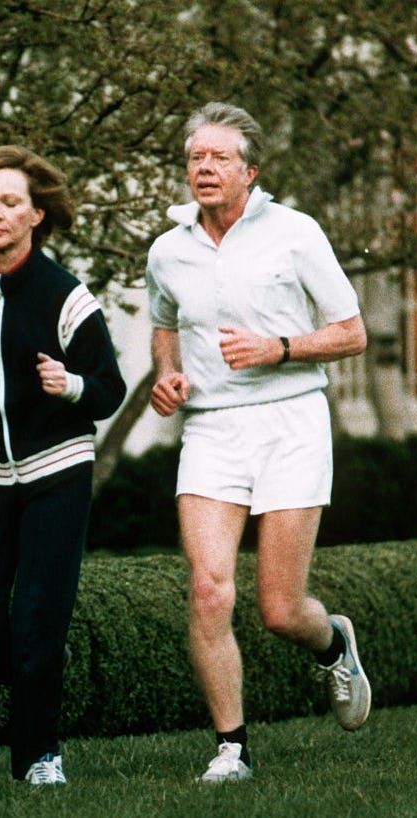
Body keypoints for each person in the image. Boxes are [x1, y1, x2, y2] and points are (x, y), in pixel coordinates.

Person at [146, 102, 371, 783]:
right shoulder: (167, 248)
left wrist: (277, 348)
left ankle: (332, 641)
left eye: (218, 158)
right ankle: (232, 749)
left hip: (290, 421)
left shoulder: (295, 233)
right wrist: (166, 376)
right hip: (212, 428)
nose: (204, 168)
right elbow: (162, 321)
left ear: (251, 172)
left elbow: (351, 332)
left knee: (278, 609)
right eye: (195, 158)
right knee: (208, 591)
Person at [0, 145, 126, 786]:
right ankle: (44, 670)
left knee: (37, 617)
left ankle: (40, 757)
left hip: (56, 473)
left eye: (9, 202)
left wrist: (70, 386)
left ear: (37, 214)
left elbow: (110, 389)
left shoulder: (66, 295)